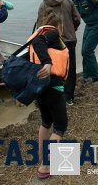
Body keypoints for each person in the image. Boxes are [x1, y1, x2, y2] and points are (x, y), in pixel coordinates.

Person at [28, 11, 69, 179]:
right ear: (59, 26)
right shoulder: (51, 34)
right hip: (53, 86)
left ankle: (41, 157)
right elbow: (39, 43)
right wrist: (48, 62)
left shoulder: (40, 33)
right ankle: (45, 166)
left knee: (46, 121)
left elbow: (36, 43)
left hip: (40, 87)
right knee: (60, 125)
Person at [37, 0, 81, 105]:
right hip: (69, 39)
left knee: (53, 68)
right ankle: (69, 98)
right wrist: (72, 29)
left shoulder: (43, 4)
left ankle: (54, 95)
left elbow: (40, 26)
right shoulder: (68, 0)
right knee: (70, 68)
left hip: (52, 42)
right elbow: (77, 18)